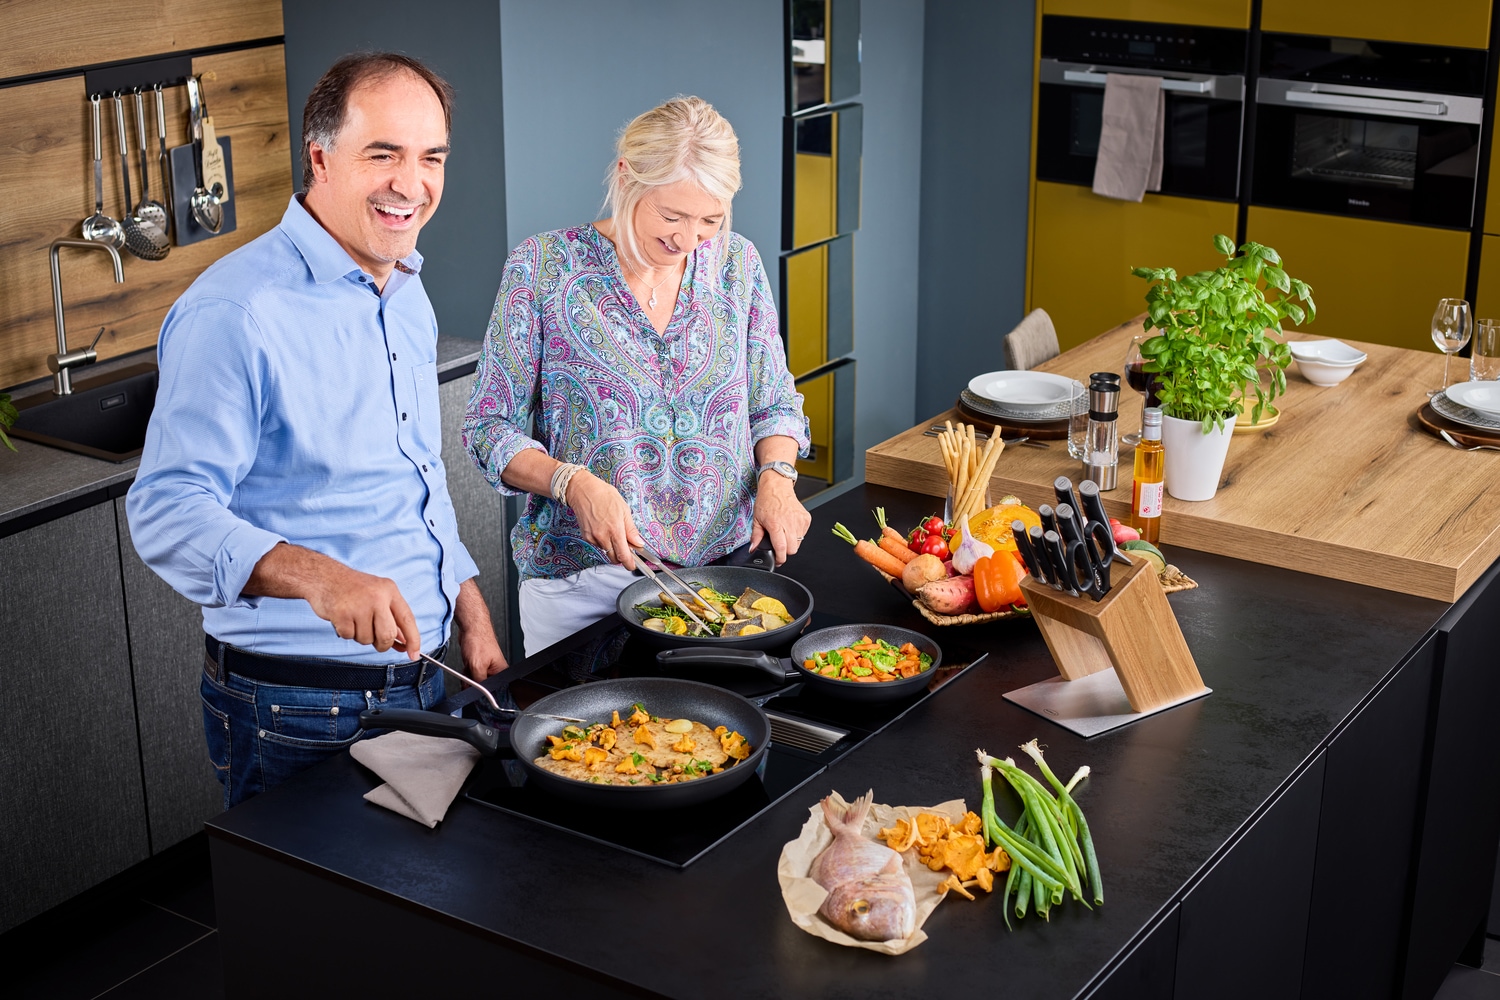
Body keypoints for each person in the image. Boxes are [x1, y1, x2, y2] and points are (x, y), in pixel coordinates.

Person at [127, 53, 506, 809]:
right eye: (383, 154)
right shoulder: (236, 313)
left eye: (431, 157)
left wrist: (463, 595)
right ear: (320, 157)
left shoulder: (403, 287)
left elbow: (406, 475)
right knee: (315, 927)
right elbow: (166, 512)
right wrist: (320, 577)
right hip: (298, 707)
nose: (413, 183)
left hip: (428, 676)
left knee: (429, 920)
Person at [464, 96, 811, 657]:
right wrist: (570, 483)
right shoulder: (543, 268)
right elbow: (487, 428)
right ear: (626, 178)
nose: (688, 239)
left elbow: (774, 404)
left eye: (710, 220)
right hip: (584, 588)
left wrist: (777, 476)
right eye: (671, 216)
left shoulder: (736, 264)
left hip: (724, 585)